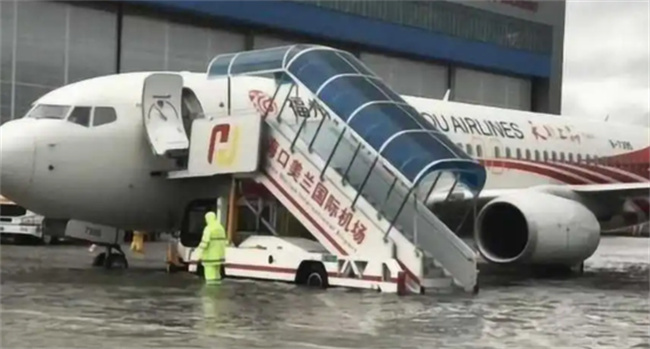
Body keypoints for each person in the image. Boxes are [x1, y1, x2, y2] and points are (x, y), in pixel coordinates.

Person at [198, 211, 227, 285]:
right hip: (219, 256)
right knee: (217, 276)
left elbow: (205, 243)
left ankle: (210, 294)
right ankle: (217, 292)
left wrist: (198, 253)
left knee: (210, 277)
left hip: (209, 257)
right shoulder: (221, 228)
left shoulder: (208, 228)